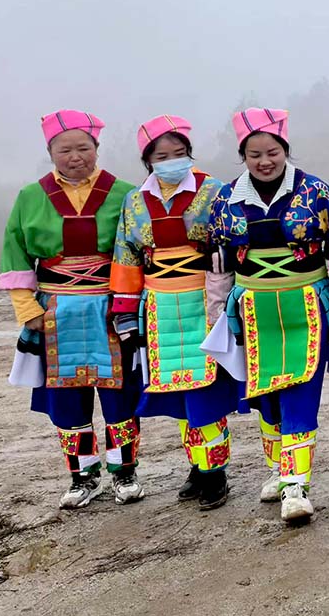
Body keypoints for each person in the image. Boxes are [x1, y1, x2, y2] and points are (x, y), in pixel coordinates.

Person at [0, 110, 142, 509]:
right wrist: (27, 309)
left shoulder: (126, 193)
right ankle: (83, 476)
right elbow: (15, 254)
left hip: (112, 308)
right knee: (65, 398)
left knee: (120, 394)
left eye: (84, 147)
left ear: (97, 149)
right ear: (50, 152)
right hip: (54, 311)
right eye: (65, 149)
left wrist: (134, 304)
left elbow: (139, 252)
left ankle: (124, 472)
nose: (75, 156)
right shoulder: (30, 197)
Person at [207, 107, 329, 524]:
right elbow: (218, 264)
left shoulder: (317, 193)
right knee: (266, 394)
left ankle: (297, 485)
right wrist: (217, 312)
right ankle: (278, 468)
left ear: (285, 149)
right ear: (242, 156)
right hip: (252, 309)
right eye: (254, 154)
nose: (264, 161)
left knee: (301, 388)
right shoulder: (226, 201)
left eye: (272, 151)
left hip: (305, 305)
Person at [110, 115, 235, 510]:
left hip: (203, 299)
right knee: (179, 393)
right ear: (148, 159)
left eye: (179, 153)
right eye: (162, 155)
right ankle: (198, 466)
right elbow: (126, 257)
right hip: (160, 305)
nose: (172, 160)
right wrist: (126, 314)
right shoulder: (134, 201)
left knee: (207, 391)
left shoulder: (213, 190)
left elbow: (229, 244)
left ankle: (216, 473)